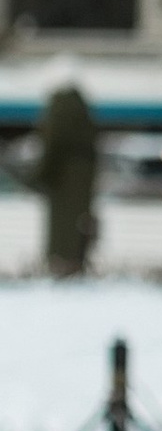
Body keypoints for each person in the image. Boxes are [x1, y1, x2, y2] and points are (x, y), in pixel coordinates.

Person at [36, 71, 98, 278]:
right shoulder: (82, 113)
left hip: (62, 183)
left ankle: (63, 264)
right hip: (78, 186)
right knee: (76, 224)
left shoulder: (60, 108)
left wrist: (41, 175)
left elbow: (54, 145)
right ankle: (72, 264)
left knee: (63, 226)